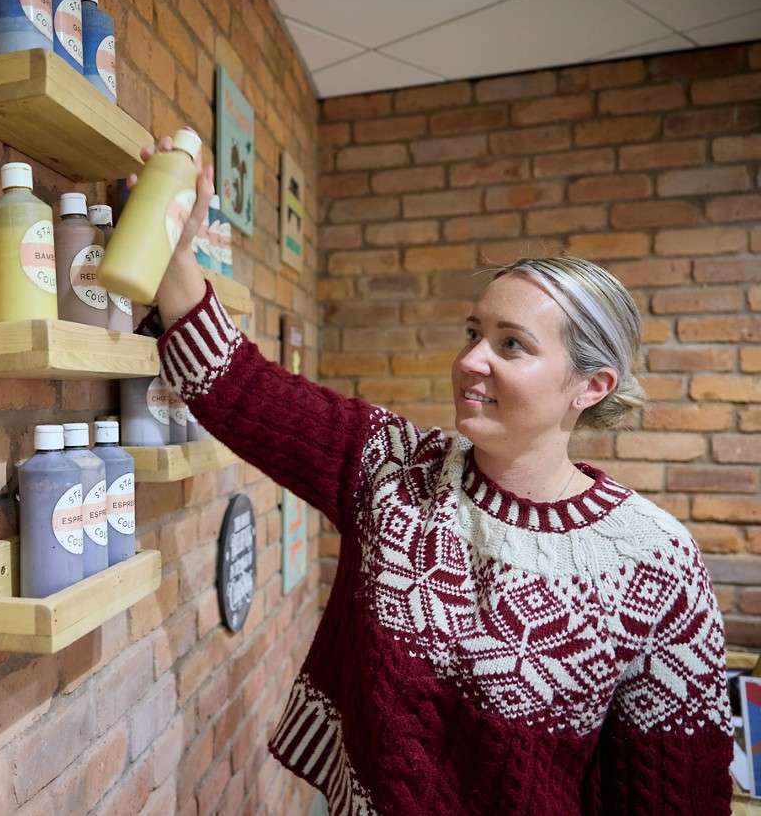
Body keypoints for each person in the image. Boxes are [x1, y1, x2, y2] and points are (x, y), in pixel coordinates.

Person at [132, 137, 733, 814]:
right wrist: (175, 254)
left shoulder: (656, 562)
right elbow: (238, 386)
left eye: (512, 344)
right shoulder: (392, 467)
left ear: (591, 385)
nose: (472, 360)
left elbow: (674, 797)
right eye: (474, 332)